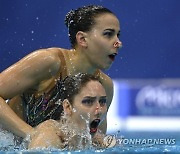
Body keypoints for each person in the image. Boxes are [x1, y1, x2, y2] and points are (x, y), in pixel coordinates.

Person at [0, 5, 122, 139]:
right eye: (108, 34)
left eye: (117, 35)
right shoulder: (48, 62)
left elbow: (92, 138)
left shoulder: (104, 86)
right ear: (82, 39)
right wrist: (32, 135)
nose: (118, 43)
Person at [28, 73, 107, 150]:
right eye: (88, 102)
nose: (99, 110)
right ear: (68, 107)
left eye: (102, 101)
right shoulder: (48, 138)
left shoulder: (96, 141)